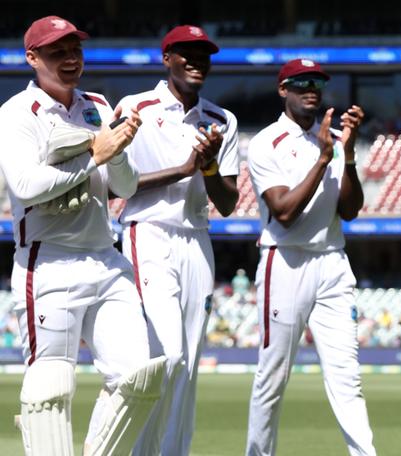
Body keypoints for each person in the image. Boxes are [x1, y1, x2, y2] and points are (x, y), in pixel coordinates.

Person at [0, 16, 166, 455]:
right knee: (49, 390)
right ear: (33, 58)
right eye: (58, 52)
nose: (71, 59)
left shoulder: (96, 103)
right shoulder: (16, 113)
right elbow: (26, 187)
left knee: (139, 378)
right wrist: (97, 152)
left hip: (106, 260)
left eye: (75, 49)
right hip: (48, 262)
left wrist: (120, 151)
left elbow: (125, 187)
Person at [115, 25, 241, 456]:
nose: (196, 61)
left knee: (186, 368)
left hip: (197, 240)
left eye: (203, 55)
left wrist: (206, 169)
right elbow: (115, 187)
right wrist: (186, 168)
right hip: (147, 233)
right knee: (164, 358)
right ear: (166, 58)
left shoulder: (222, 120)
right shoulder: (136, 107)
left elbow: (226, 202)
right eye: (185, 53)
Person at [245, 58, 376, 456]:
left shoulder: (335, 140)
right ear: (282, 90)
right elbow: (283, 213)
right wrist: (323, 158)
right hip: (285, 262)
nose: (311, 89)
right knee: (273, 375)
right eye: (300, 83)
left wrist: (348, 155)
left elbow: (350, 210)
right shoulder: (266, 142)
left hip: (333, 261)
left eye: (317, 83)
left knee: (347, 377)